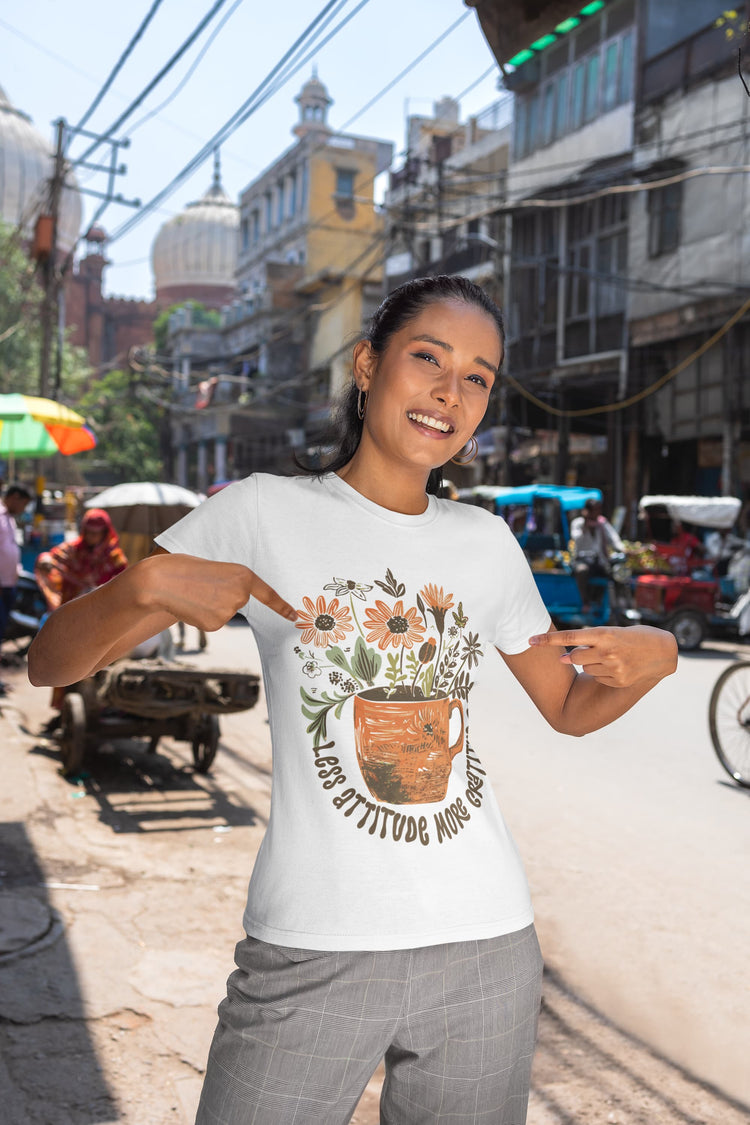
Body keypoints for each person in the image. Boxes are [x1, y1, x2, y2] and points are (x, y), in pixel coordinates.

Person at [28, 276, 677, 1125]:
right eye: (428, 358)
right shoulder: (262, 511)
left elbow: (568, 706)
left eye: (477, 377)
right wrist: (138, 588)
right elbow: (51, 662)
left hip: (486, 947)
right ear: (368, 365)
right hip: (310, 948)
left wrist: (657, 657)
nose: (450, 392)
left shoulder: (486, 541)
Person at [34, 508, 128, 726]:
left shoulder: (115, 558)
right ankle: (64, 713)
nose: (93, 537)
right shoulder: (73, 551)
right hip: (72, 621)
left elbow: (124, 585)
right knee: (65, 664)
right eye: (89, 532)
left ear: (105, 533)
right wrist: (45, 560)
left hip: (103, 624)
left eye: (97, 533)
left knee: (99, 665)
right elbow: (50, 556)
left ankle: (101, 708)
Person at [0, 483, 32, 687]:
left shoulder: (9, 519)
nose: (23, 509)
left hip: (8, 583)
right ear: (14, 497)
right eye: (23, 504)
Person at [570, 498, 624, 610]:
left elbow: (614, 539)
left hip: (599, 560)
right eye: (595, 510)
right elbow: (576, 539)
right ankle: (585, 601)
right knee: (581, 571)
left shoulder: (602, 524)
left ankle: (617, 605)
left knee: (617, 574)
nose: (598, 512)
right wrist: (586, 525)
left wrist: (623, 549)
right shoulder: (578, 523)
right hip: (583, 560)